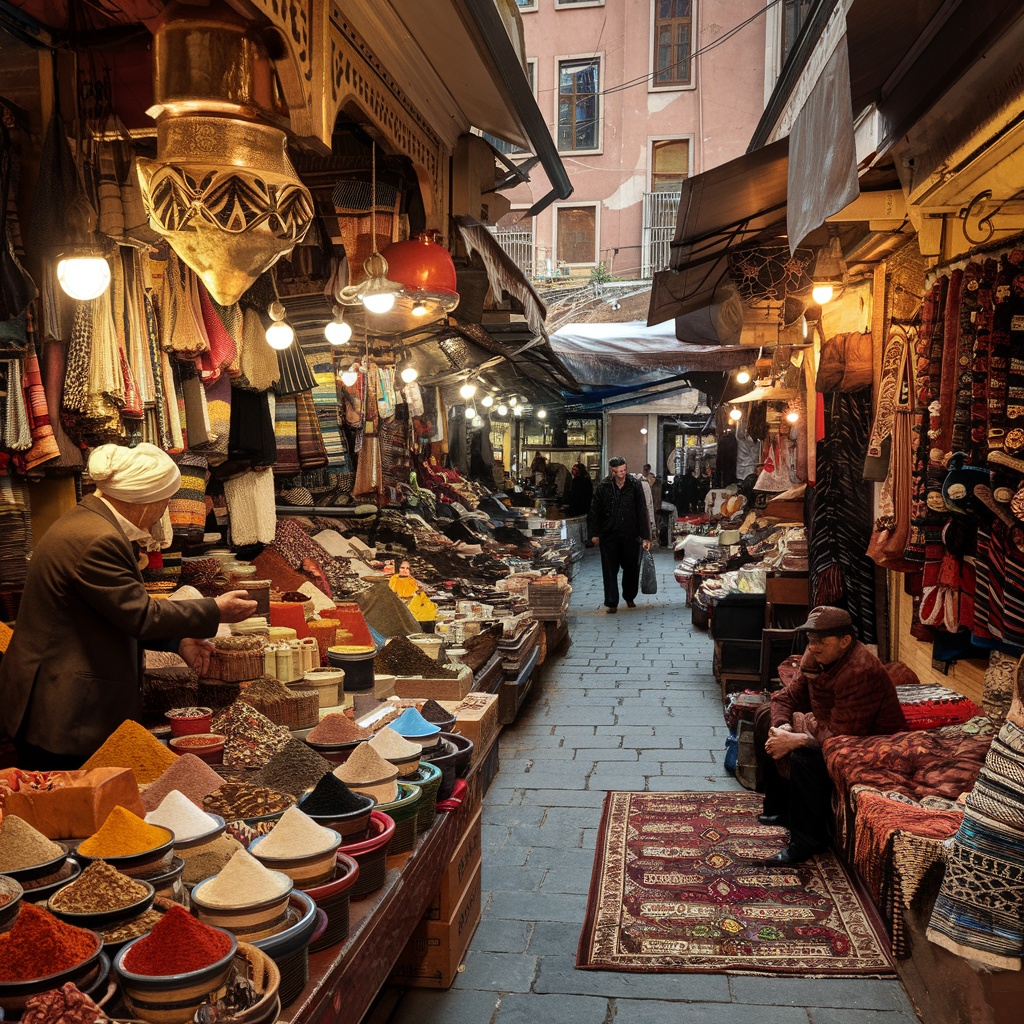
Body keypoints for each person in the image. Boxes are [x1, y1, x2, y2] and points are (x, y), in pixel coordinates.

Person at [0, 443, 258, 769]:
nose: (163, 512)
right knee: (70, 808)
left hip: (58, 699)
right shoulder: (97, 539)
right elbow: (140, 615)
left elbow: (112, 613)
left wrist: (176, 641)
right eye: (164, 502)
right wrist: (214, 610)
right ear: (141, 502)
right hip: (63, 710)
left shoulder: (87, 522)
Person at [756, 606, 907, 865]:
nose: (813, 647)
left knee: (804, 757)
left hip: (870, 743)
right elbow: (786, 697)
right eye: (810, 640)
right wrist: (782, 727)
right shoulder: (815, 656)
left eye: (820, 641)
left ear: (844, 641)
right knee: (763, 717)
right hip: (830, 728)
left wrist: (799, 740)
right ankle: (780, 809)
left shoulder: (860, 670)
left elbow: (845, 737)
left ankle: (808, 841)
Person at [588, 456, 652, 613]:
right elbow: (595, 511)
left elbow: (642, 510)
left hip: (631, 534)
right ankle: (612, 602)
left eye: (624, 470)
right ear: (612, 471)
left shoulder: (634, 485)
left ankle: (629, 596)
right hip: (609, 534)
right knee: (609, 569)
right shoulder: (604, 487)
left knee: (631, 568)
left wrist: (646, 536)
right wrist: (594, 533)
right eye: (619, 471)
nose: (623, 473)